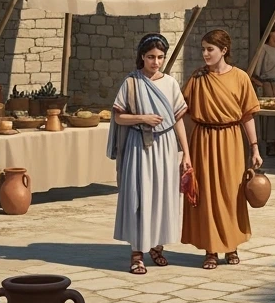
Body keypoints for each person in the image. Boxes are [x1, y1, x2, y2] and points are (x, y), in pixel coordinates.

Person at [109, 33, 191, 275]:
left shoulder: (171, 83)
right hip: (138, 145)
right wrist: (142, 118)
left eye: (160, 57)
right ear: (142, 57)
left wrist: (185, 153)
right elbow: (118, 116)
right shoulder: (131, 82)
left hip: (165, 145)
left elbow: (178, 120)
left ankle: (157, 245)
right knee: (140, 194)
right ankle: (137, 253)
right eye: (151, 57)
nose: (156, 62)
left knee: (162, 193)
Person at [181, 29, 262, 270]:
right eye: (203, 49)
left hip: (231, 140)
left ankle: (232, 245)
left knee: (230, 193)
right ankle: (211, 250)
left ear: (223, 51)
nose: (205, 54)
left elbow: (247, 114)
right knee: (207, 194)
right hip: (203, 140)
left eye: (210, 49)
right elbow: (184, 113)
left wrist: (255, 148)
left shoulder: (240, 77)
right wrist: (183, 148)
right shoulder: (197, 78)